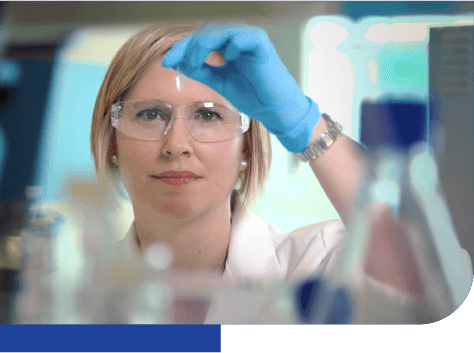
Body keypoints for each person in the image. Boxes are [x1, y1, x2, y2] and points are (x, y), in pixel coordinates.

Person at [89, 23, 472, 323]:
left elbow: (442, 291)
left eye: (208, 115)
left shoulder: (319, 266)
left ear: (247, 149)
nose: (176, 145)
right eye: (150, 114)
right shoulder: (76, 291)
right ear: (113, 144)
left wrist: (306, 127)